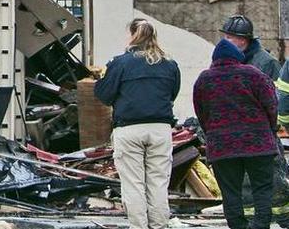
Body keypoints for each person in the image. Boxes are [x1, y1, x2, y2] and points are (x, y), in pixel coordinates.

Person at [94, 19, 181, 229]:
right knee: (158, 183)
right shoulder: (170, 64)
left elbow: (104, 94)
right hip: (160, 128)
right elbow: (173, 93)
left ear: (132, 35)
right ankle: (159, 225)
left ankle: (139, 227)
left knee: (133, 184)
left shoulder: (120, 63)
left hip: (129, 129)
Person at [194, 38, 279, 229]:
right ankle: (260, 225)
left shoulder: (204, 79)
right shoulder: (254, 75)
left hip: (222, 147)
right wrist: (270, 130)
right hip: (258, 144)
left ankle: (238, 226)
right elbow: (271, 105)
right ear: (237, 58)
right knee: (263, 189)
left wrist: (213, 134)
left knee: (230, 192)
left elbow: (201, 113)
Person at [220, 14, 279, 79]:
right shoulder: (223, 59)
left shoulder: (268, 63)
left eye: (229, 37)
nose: (224, 41)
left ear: (242, 40)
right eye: (224, 37)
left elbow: (277, 88)